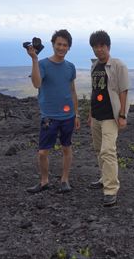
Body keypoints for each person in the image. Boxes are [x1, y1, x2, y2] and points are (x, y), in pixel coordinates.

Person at [25, 29, 80, 194]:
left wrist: (76, 113)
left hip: (68, 115)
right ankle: (44, 181)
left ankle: (64, 180)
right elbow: (36, 84)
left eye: (65, 45)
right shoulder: (42, 64)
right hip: (49, 117)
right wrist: (34, 59)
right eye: (59, 44)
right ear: (53, 45)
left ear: (69, 47)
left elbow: (72, 91)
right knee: (43, 152)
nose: (61, 47)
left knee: (66, 148)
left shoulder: (70, 67)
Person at [87, 30, 130, 207]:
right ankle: (105, 178)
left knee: (108, 150)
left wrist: (122, 115)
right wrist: (90, 114)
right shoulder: (94, 66)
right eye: (95, 46)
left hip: (110, 117)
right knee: (99, 150)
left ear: (108, 46)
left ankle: (111, 189)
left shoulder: (118, 65)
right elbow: (94, 91)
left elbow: (123, 90)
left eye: (102, 46)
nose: (99, 50)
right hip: (96, 116)